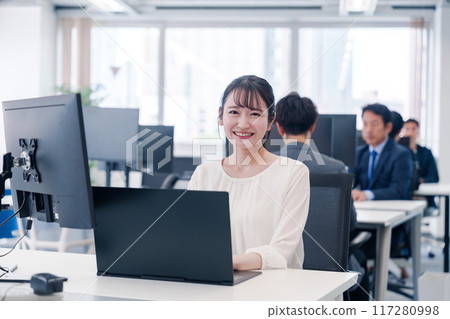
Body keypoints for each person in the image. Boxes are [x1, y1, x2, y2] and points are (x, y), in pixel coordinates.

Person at [188, 75, 310, 271]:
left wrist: (227, 262)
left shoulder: (293, 173)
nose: (243, 124)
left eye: (254, 114)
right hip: (214, 286)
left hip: (273, 289)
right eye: (234, 112)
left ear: (271, 121)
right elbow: (190, 241)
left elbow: (280, 252)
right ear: (221, 116)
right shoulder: (203, 174)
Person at [273, 92, 356, 231]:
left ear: (279, 128)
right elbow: (350, 223)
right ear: (312, 127)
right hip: (326, 251)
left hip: (279, 251)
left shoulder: (264, 167)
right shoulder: (336, 168)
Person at [353, 103, 413, 201]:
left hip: (391, 210)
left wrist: (367, 195)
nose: (368, 130)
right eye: (365, 124)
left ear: (388, 127)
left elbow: (398, 190)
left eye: (374, 124)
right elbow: (350, 180)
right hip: (364, 209)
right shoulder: (360, 153)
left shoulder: (401, 154)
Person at [402, 118, 439, 211]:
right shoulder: (399, 153)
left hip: (422, 196)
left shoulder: (426, 153)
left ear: (418, 131)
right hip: (403, 195)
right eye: (407, 128)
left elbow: (434, 177)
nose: (410, 132)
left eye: (413, 129)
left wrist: (419, 180)